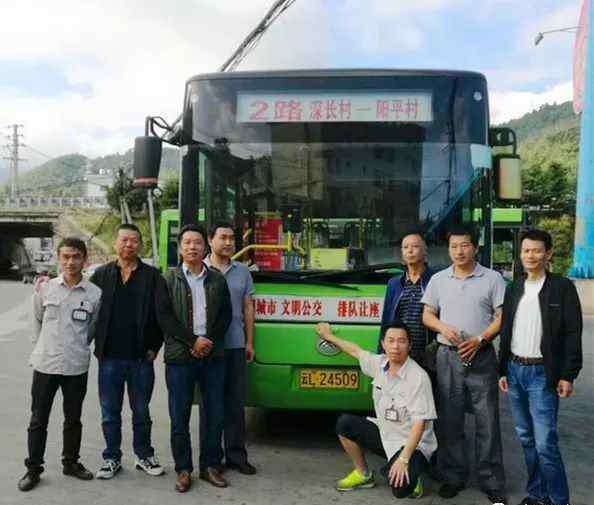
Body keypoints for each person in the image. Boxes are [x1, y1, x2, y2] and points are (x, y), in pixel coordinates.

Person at [90, 223, 192, 480]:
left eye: (134, 240)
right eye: (124, 240)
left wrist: (154, 347)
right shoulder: (101, 275)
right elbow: (87, 308)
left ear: (140, 244)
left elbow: (162, 315)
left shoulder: (153, 276)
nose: (129, 244)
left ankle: (144, 455)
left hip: (140, 359)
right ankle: (111, 457)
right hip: (109, 358)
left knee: (142, 412)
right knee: (110, 412)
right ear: (116, 243)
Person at [421, 225, 507, 505]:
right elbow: (427, 315)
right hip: (448, 357)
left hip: (481, 357)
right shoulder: (438, 280)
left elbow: (501, 316)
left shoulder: (492, 278)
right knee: (451, 419)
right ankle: (453, 476)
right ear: (448, 250)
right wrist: (442, 327)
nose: (459, 251)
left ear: (475, 247)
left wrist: (481, 339)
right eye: (454, 246)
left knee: (487, 421)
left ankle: (491, 481)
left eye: (465, 245)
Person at [498, 229, 582, 505]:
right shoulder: (514, 288)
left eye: (536, 250)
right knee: (526, 438)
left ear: (548, 254)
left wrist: (568, 375)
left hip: (542, 374)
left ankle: (559, 500)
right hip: (514, 370)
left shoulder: (562, 287)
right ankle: (538, 494)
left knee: (545, 443)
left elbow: (572, 333)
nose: (530, 256)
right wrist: (502, 369)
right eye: (526, 251)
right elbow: (507, 330)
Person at [317, 320, 437, 499]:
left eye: (401, 341)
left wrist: (404, 459)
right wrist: (328, 336)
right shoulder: (380, 364)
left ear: (409, 345)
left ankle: (414, 472)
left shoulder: (418, 377)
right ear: (383, 344)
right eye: (391, 341)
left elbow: (419, 424)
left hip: (413, 443)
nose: (395, 346)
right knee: (345, 424)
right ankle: (363, 474)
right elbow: (355, 351)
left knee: (401, 489)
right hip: (386, 434)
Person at [18, 238, 102, 491]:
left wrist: (78, 347)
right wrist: (42, 348)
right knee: (38, 419)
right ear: (58, 258)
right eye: (65, 256)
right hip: (46, 364)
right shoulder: (45, 288)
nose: (70, 262)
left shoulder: (94, 294)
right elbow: (36, 320)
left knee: (73, 418)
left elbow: (92, 329)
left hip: (76, 365)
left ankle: (71, 462)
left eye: (76, 256)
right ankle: (33, 469)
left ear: (84, 259)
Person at [162, 224, 232, 492]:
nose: (192, 247)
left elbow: (226, 314)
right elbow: (164, 317)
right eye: (187, 242)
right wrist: (193, 341)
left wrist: (207, 341)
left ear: (205, 247)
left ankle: (210, 466)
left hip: (212, 355)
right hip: (180, 357)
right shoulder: (168, 279)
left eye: (197, 242)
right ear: (180, 248)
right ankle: (183, 469)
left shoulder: (217, 279)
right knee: (179, 415)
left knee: (214, 413)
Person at [204, 222, 257, 475]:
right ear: (210, 240)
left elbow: (248, 307)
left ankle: (236, 456)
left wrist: (249, 342)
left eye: (231, 238)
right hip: (208, 347)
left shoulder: (242, 271)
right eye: (223, 237)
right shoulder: (200, 268)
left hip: (235, 344)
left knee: (235, 404)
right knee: (211, 404)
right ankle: (212, 459)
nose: (228, 243)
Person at [378, 231, 435, 366]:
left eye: (415, 246)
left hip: (427, 354)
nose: (410, 251)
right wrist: (382, 353)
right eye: (405, 247)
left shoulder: (436, 280)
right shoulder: (394, 283)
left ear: (425, 251)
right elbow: (387, 320)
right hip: (399, 352)